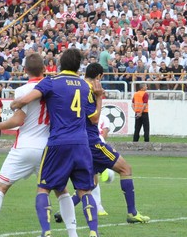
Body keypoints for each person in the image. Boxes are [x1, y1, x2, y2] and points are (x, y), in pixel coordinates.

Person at [0, 54, 86, 237]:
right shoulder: (55, 86)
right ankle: (73, 236)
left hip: (24, 146)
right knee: (62, 191)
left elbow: (18, 121)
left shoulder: (22, 90)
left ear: (24, 70)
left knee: (1, 187)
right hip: (48, 148)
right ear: (45, 68)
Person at [10, 48, 105, 237]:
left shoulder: (51, 81)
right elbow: (95, 119)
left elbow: (28, 98)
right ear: (78, 66)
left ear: (61, 63)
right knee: (85, 190)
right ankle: (95, 235)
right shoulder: (85, 86)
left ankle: (46, 233)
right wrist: (99, 97)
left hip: (58, 142)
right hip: (81, 144)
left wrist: (15, 104)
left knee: (43, 187)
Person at [59, 63, 150, 224]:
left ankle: (63, 212)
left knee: (90, 183)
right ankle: (132, 213)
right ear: (99, 76)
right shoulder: (90, 91)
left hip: (79, 141)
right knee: (126, 169)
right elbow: (94, 119)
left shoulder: (78, 87)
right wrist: (99, 97)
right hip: (93, 142)